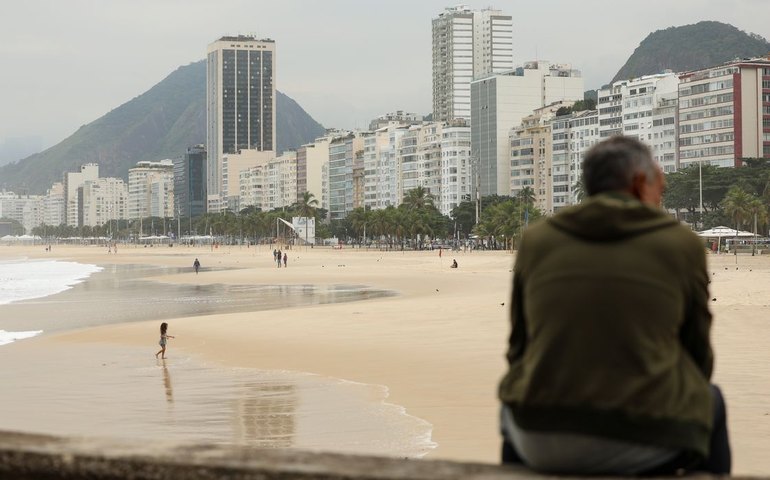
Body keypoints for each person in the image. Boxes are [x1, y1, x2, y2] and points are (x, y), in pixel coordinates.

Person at [499, 136, 730, 475]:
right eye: (660, 191)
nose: (660, 201)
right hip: (647, 440)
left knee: (515, 395)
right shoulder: (680, 243)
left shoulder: (537, 239)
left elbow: (518, 348)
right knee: (713, 400)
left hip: (540, 438)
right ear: (639, 184)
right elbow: (698, 355)